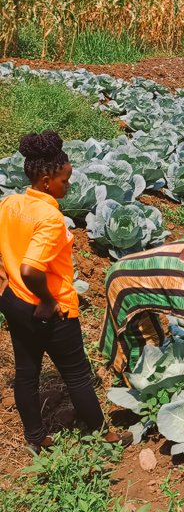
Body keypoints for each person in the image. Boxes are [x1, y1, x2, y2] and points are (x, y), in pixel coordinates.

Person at [0, 131, 126, 453]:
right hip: (50, 310)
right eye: (64, 181)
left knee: (27, 373)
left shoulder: (11, 203)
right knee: (78, 375)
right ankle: (104, 438)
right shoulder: (51, 218)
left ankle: (36, 437)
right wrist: (46, 300)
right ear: (46, 181)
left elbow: (13, 259)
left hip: (13, 301)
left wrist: (4, 275)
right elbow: (31, 268)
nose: (67, 187)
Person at [100, 228, 184, 379]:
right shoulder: (180, 280)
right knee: (133, 337)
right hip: (122, 282)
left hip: (136, 273)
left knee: (153, 331)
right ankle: (131, 375)